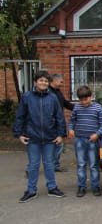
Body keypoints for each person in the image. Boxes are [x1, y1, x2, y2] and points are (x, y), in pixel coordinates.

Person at [13, 70, 66, 203]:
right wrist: (19, 134)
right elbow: (20, 116)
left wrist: (60, 134)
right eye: (41, 80)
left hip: (50, 137)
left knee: (49, 164)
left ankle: (52, 187)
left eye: (46, 81)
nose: (43, 83)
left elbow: (59, 117)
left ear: (48, 83)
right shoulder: (27, 96)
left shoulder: (52, 97)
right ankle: (31, 190)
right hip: (33, 137)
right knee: (33, 165)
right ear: (36, 82)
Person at [68, 85, 102, 197]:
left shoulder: (98, 108)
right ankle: (81, 186)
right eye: (81, 99)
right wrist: (70, 129)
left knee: (93, 164)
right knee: (81, 164)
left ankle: (95, 186)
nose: (84, 102)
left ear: (91, 96)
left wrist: (97, 134)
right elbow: (72, 121)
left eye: (86, 99)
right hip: (80, 139)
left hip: (92, 140)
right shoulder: (77, 107)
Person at [49, 73, 74, 172]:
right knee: (54, 145)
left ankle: (54, 165)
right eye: (61, 82)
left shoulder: (58, 92)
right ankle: (52, 165)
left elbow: (65, 103)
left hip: (58, 121)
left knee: (58, 144)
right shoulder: (48, 93)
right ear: (54, 80)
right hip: (52, 123)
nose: (62, 84)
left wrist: (77, 108)